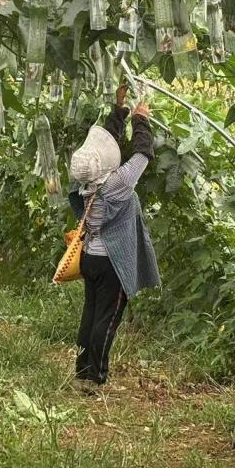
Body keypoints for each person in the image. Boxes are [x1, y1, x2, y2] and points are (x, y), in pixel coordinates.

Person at [67, 84, 161, 393]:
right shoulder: (116, 185)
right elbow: (143, 154)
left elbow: (106, 150)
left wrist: (120, 109)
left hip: (91, 258)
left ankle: (83, 371)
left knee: (92, 314)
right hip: (112, 262)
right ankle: (96, 378)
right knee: (107, 319)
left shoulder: (86, 184)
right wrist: (141, 119)